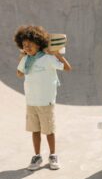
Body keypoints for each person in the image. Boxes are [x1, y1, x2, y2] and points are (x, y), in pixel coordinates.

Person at [14, 25, 72, 170]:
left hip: (46, 101)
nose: (26, 47)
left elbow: (67, 68)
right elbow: (19, 74)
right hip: (31, 102)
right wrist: (23, 59)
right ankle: (37, 156)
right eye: (24, 45)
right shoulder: (26, 59)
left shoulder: (48, 59)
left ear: (38, 44)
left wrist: (56, 54)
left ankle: (53, 155)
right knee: (35, 131)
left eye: (29, 45)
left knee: (49, 131)